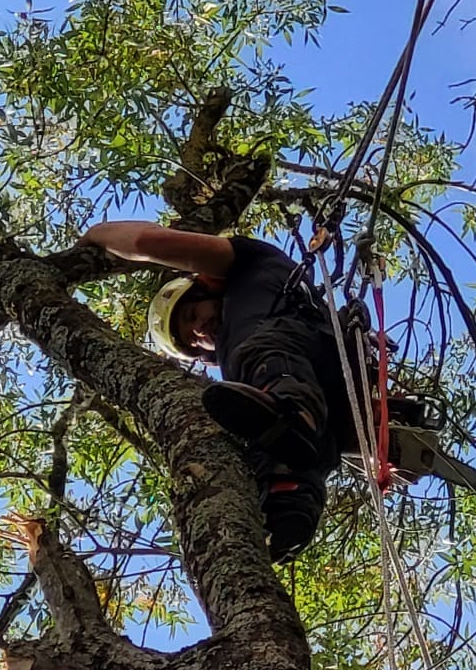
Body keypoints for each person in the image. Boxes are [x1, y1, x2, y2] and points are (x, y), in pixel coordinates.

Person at [77, 220, 364, 561]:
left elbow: (147, 241)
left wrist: (95, 235)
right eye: (191, 341)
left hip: (292, 362)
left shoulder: (251, 266)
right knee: (269, 439)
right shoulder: (246, 374)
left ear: (207, 287)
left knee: (257, 363)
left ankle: (295, 421)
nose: (199, 330)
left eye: (194, 313)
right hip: (328, 395)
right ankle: (290, 507)